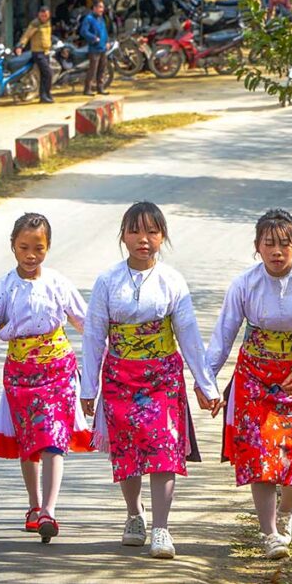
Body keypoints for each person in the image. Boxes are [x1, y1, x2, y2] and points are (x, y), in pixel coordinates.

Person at [80, 202, 221, 560]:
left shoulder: (172, 281)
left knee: (163, 450)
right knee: (126, 451)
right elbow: (94, 335)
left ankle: (161, 529)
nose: (144, 239)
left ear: (163, 236)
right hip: (119, 378)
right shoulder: (107, 281)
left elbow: (188, 334)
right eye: (135, 231)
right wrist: (88, 390)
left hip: (162, 378)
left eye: (152, 232)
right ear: (123, 235)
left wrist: (207, 385)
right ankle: (133, 515)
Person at [204, 209, 292, 560]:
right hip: (254, 380)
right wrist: (208, 382)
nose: (277, 251)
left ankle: (287, 512)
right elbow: (223, 336)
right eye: (269, 243)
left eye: (284, 243)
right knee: (260, 454)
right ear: (257, 247)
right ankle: (270, 533)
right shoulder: (244, 285)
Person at [0, 213, 92, 543]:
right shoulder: (3, 289)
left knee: (55, 439)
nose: (31, 255)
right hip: (20, 377)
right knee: (30, 443)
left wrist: (106, 360)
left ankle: (49, 511)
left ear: (48, 247)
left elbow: (86, 322)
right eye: (24, 247)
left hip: (59, 372)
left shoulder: (57, 283)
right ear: (12, 246)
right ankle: (33, 504)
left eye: (38, 248)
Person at [15, 6, 55, 103]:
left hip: (46, 52)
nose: (44, 18)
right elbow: (26, 36)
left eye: (46, 16)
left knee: (45, 75)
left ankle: (45, 95)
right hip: (38, 53)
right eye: (42, 16)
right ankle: (45, 95)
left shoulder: (48, 23)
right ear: (39, 15)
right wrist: (20, 46)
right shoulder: (35, 24)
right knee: (48, 73)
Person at [79, 0, 109, 96]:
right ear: (94, 8)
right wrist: (93, 38)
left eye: (102, 7)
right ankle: (87, 89)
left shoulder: (101, 19)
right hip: (94, 48)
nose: (102, 10)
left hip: (103, 48)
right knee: (93, 69)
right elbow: (83, 31)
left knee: (102, 69)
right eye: (100, 7)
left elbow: (104, 32)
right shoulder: (88, 19)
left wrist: (107, 42)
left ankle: (100, 87)